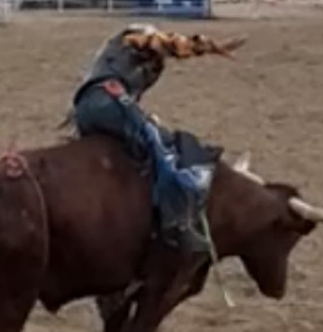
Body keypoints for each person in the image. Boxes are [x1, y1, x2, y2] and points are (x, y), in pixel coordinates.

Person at [66, 24, 245, 253]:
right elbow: (155, 41)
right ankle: (176, 223)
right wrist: (206, 45)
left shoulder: (114, 58)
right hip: (109, 104)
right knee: (165, 151)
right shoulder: (130, 39)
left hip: (89, 110)